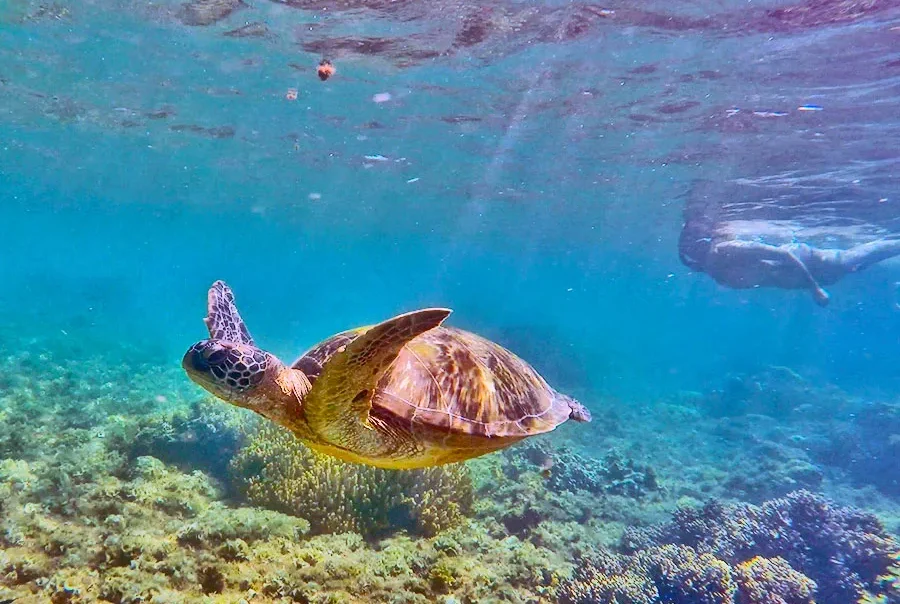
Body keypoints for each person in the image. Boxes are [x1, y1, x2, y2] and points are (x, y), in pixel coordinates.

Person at [679, 226, 900, 306]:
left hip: (817, 263)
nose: (702, 266)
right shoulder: (718, 275)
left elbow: (783, 254)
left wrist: (815, 289)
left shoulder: (729, 249)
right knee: (857, 264)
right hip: (811, 278)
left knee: (860, 256)